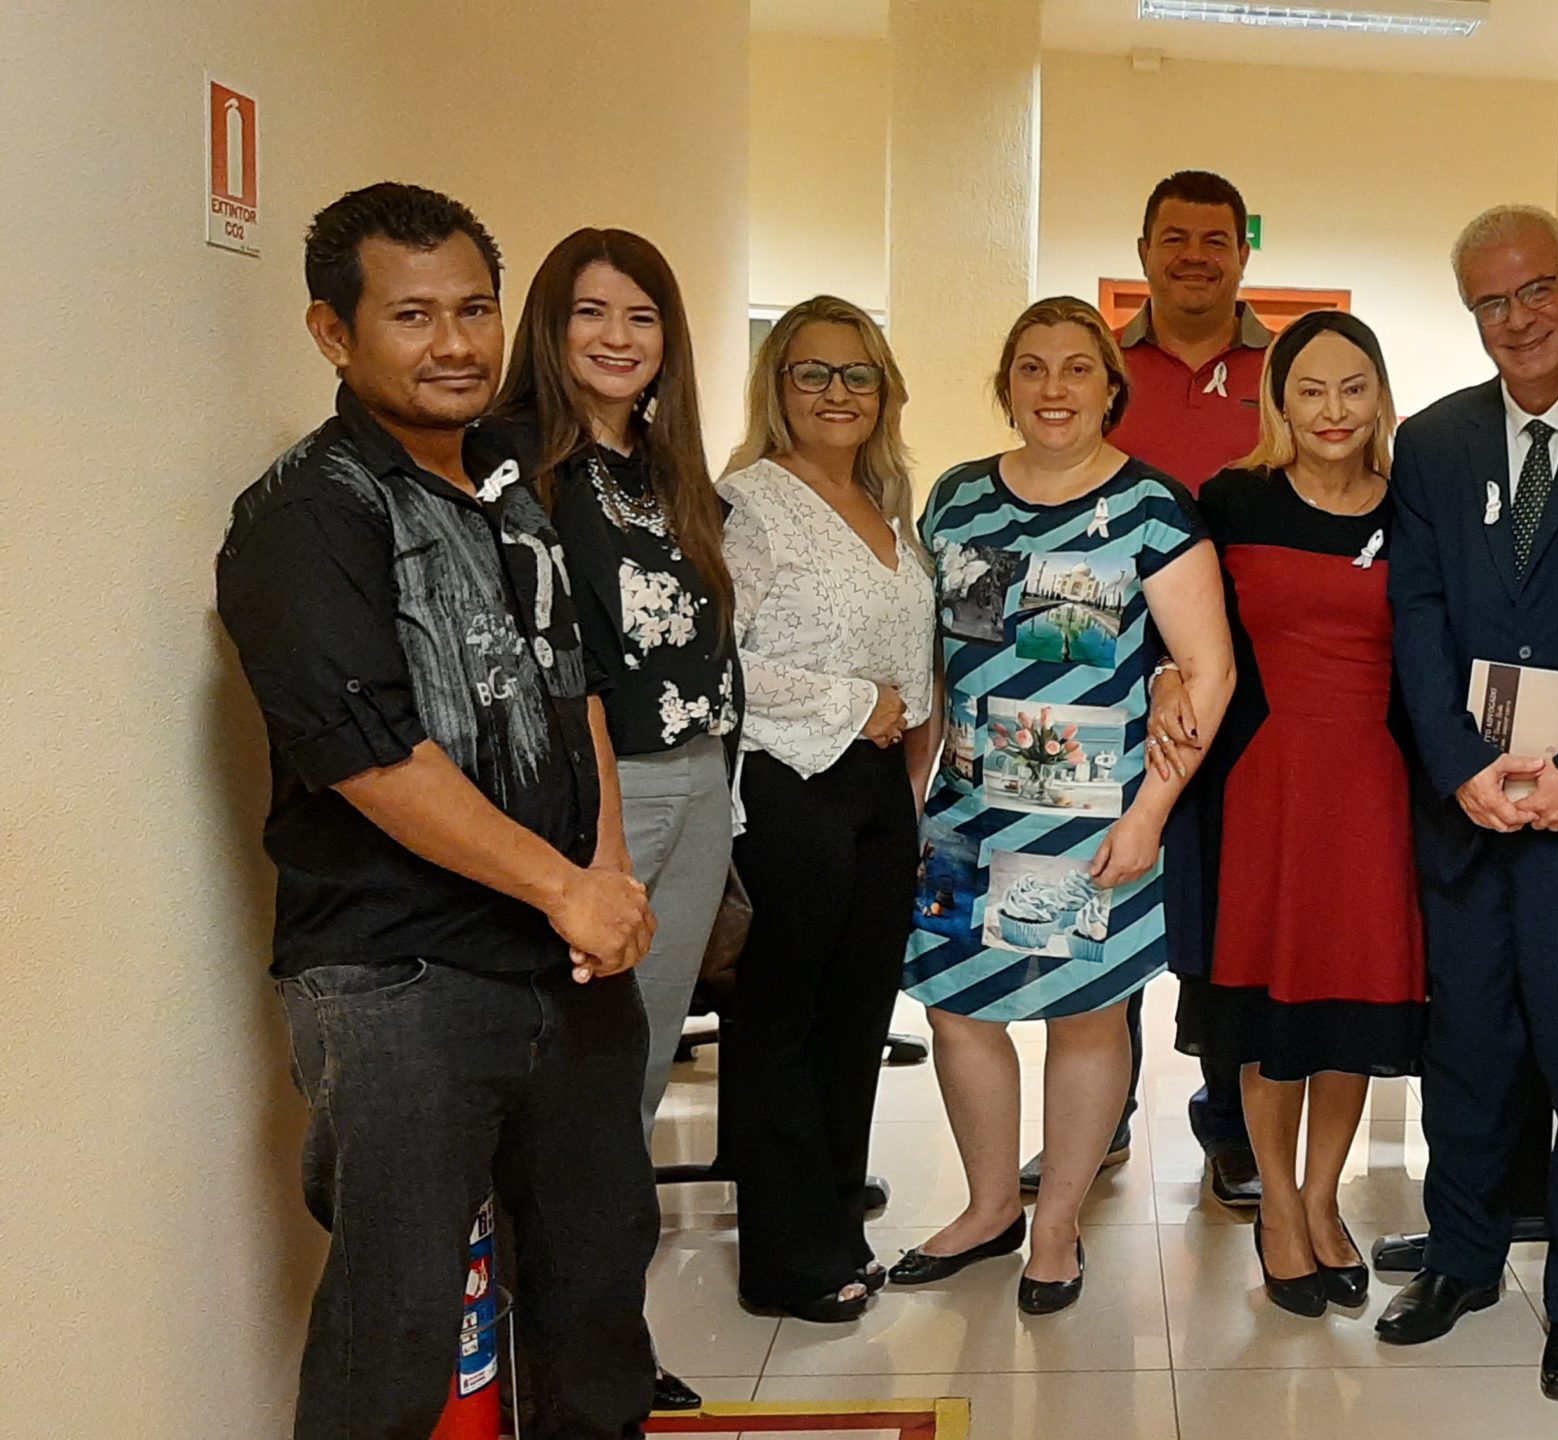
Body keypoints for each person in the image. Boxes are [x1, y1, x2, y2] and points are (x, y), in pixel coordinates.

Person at [215, 181, 657, 1437]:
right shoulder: (307, 515)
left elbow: (574, 689)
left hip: (564, 963)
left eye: (473, 310)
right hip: (400, 983)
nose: (454, 344)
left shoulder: (511, 484)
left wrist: (607, 882)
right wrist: (567, 889)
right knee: (398, 1323)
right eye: (412, 316)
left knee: (596, 1292)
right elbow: (371, 759)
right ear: (332, 332)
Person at [1377, 205, 1558, 1403]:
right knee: (1464, 1051)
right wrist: (1457, 764)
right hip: (1469, 807)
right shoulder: (1435, 440)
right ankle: (1459, 1258)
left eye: (1536, 289)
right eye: (1490, 303)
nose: (1518, 319)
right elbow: (1416, 612)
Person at [896, 297, 1236, 1315]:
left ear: (1109, 389)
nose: (1054, 388)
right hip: (967, 811)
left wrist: (1149, 818)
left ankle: (1055, 1228)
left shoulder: (1150, 508)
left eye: (1077, 368)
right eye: (1033, 368)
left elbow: (1207, 671)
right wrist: (912, 800)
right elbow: (936, 664)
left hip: (1094, 819)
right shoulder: (957, 500)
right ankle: (990, 1206)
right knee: (957, 1006)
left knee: (1085, 1018)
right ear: (1006, 385)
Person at [489, 226, 739, 1412]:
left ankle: (606, 1347)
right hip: (596, 797)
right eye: (591, 312)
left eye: (641, 317)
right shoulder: (510, 460)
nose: (617, 337)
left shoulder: (664, 467)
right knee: (577, 1095)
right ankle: (551, 1365)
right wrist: (594, 839)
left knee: (636, 1076)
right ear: (550, 325)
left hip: (697, 778)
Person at [1017, 169, 1270, 1208]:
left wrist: (1194, 664)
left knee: (1231, 912)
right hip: (1108, 688)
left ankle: (1231, 1123)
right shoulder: (1106, 373)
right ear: (1144, 250)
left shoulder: (1280, 371)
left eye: (1215, 240)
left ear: (1244, 253)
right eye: (1175, 238)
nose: (1195, 257)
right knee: (1104, 887)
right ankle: (1098, 1122)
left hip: (1246, 689)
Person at [1168, 311, 1425, 1316]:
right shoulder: (1231, 501)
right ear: (1279, 400)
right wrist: (1164, 679)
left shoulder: (1414, 510)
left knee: (1349, 1006)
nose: (1332, 411)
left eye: (1352, 388)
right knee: (1269, 1008)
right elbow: (1185, 636)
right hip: (1263, 784)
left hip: (1374, 787)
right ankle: (1277, 1205)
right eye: (1309, 390)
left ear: (1380, 397)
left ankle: (1323, 1201)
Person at [716, 295, 937, 1323]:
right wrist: (854, 704)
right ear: (778, 387)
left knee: (857, 1013)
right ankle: (784, 1257)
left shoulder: (887, 505)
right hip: (788, 785)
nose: (836, 392)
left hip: (878, 792)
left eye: (858, 373)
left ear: (884, 390)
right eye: (812, 372)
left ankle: (833, 1206)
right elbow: (714, 664)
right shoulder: (750, 504)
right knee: (783, 1020)